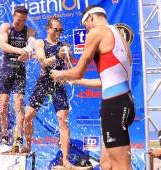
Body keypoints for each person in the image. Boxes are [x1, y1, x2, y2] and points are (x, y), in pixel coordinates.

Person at [51, 6, 135, 170]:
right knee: (106, 163)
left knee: (121, 166)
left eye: (85, 26)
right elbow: (108, 80)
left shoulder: (97, 32)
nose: (86, 29)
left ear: (90, 17)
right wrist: (77, 82)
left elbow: (77, 71)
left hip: (114, 106)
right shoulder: (120, 36)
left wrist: (59, 74)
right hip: (125, 102)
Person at [23, 16, 77, 168]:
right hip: (43, 82)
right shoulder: (41, 42)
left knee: (63, 120)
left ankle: (65, 159)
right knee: (28, 116)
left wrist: (68, 55)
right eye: (56, 29)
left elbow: (71, 64)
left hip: (58, 82)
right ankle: (28, 145)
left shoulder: (64, 44)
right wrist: (57, 56)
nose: (59, 32)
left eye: (61, 30)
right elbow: (42, 61)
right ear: (48, 29)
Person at [0, 5, 36, 152]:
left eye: (24, 20)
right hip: (6, 70)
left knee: (18, 104)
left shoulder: (29, 31)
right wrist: (21, 50)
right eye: (19, 20)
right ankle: (3, 136)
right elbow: (3, 46)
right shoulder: (5, 27)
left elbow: (32, 45)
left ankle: (18, 138)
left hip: (19, 71)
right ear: (14, 16)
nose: (21, 23)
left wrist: (29, 52)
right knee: (3, 104)